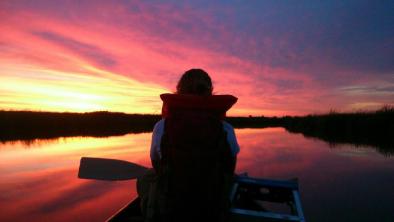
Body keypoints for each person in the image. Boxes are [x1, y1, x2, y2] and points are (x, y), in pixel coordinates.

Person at [138, 69, 240, 222]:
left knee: (145, 178)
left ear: (179, 91)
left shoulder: (161, 126)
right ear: (210, 92)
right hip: (211, 207)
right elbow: (229, 167)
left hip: (172, 206)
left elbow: (156, 162)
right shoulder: (225, 128)